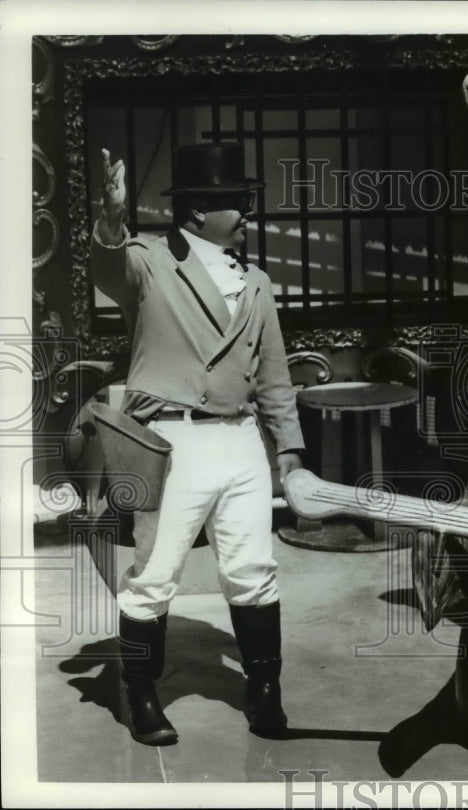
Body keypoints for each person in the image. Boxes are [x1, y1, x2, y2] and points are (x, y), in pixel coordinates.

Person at [90, 142, 305, 745]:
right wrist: (111, 216)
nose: (245, 213)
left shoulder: (257, 282)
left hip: (241, 443)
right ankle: (142, 695)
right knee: (154, 575)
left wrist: (289, 451)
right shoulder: (151, 261)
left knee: (253, 571)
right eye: (234, 203)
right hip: (171, 442)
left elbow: (275, 375)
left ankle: (265, 691)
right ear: (195, 214)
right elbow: (109, 269)